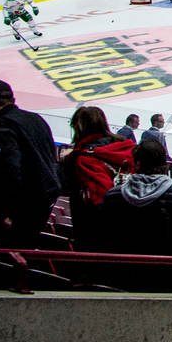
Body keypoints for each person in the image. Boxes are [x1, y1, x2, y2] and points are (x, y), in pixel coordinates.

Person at [97, 137, 172, 291]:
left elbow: (104, 236)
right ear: (164, 164)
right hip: (171, 278)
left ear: (137, 164)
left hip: (126, 276)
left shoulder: (113, 196)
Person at [0, 80, 61, 247]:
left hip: (19, 211)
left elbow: (9, 171)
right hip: (45, 199)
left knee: (14, 252)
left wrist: (2, 213)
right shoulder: (36, 119)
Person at [57, 105, 135, 252]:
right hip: (130, 226)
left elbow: (66, 187)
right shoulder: (125, 148)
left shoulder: (81, 158)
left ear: (78, 127)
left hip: (94, 233)